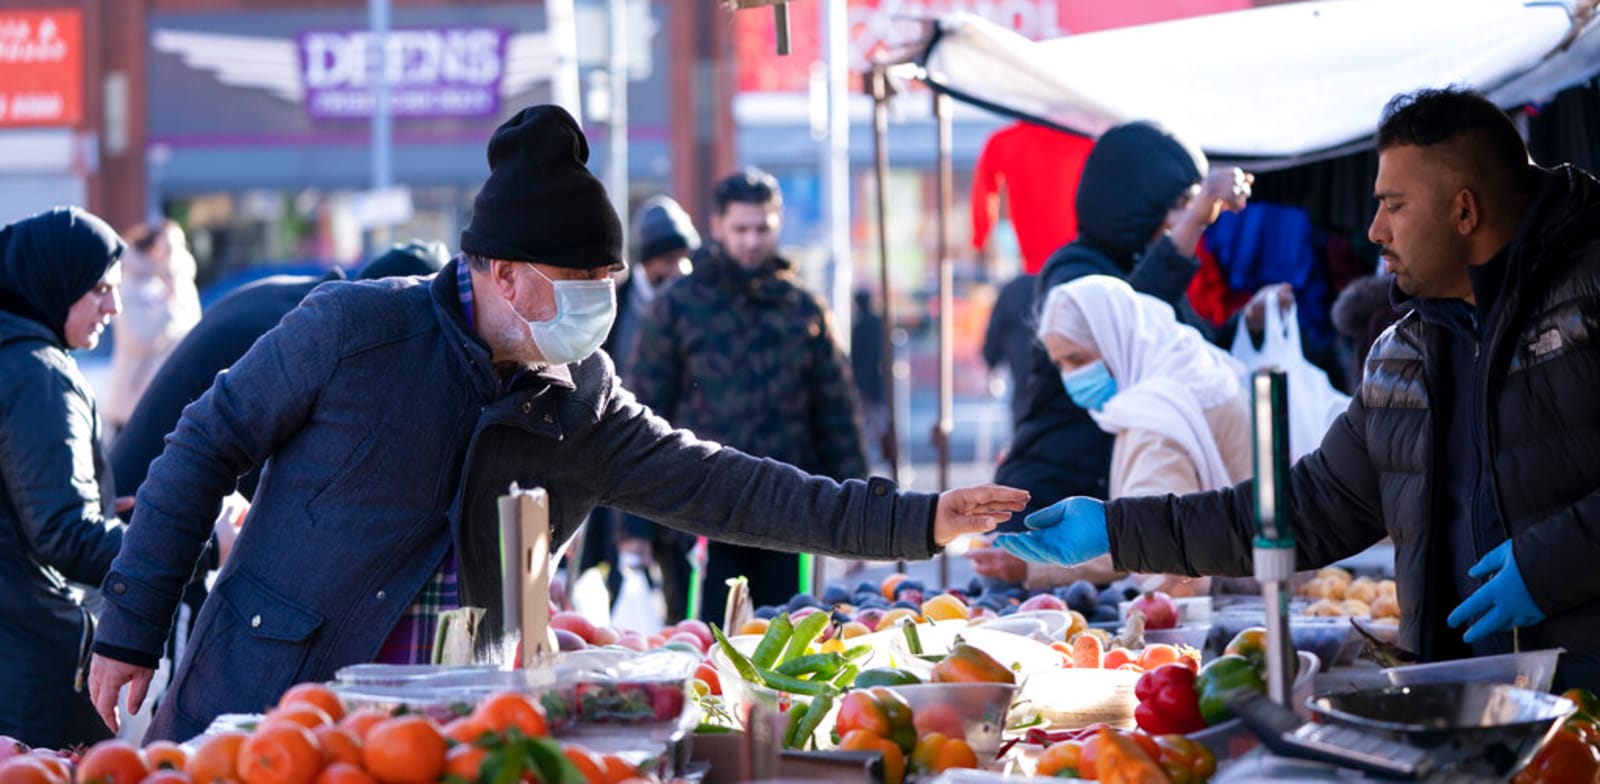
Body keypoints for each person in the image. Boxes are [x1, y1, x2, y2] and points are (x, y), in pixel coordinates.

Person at [88, 106, 1028, 742]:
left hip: (448, 735)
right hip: (272, 703)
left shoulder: (579, 397)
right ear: (501, 271)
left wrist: (918, 520)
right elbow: (202, 445)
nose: (598, 306)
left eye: (608, 285)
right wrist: (130, 623)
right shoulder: (354, 330)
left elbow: (731, 484)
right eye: (578, 284)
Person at [996, 87, 1600, 691]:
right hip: (1469, 701)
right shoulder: (1404, 357)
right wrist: (1116, 529)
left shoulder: (1590, 297)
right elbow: (1307, 509)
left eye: (1394, 205)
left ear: (1464, 212)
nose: (1374, 230)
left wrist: (1556, 562)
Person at [107, 241, 450, 708]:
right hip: (155, 514)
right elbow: (251, 463)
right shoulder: (318, 335)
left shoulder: (286, 297)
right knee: (165, 696)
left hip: (154, 494)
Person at [629, 168, 872, 621]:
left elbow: (836, 413)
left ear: (777, 225)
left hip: (787, 510)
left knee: (789, 642)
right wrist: (634, 527)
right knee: (705, 650)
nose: (751, 241)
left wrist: (856, 515)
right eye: (740, 229)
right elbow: (643, 413)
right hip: (697, 512)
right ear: (718, 226)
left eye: (762, 228)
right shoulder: (677, 306)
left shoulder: (802, 308)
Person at [993, 120, 1255, 523]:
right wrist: (1196, 220)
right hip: (1048, 505)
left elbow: (1198, 352)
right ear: (1133, 201)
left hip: (1117, 511)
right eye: (1179, 204)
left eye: (1190, 205)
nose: (1180, 219)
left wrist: (1250, 322)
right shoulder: (1072, 272)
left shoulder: (1147, 272)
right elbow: (1130, 321)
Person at [969, 275, 1252, 594]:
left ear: (1115, 340)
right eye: (1060, 364)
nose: (1070, 377)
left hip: (1234, 597)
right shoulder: (1187, 362)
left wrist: (1034, 563)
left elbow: (1150, 535)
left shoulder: (1155, 413)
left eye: (1077, 359)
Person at [0, 206, 127, 748]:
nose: (114, 306)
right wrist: (196, 544)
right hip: (32, 672)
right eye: (98, 288)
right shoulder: (37, 374)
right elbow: (63, 534)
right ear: (56, 279)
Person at [582, 196, 700, 622]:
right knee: (625, 583)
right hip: (623, 458)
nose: (676, 269)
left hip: (680, 456)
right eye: (666, 259)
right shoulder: (613, 306)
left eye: (683, 257)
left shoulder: (697, 302)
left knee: (686, 592)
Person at [105, 219, 201, 435]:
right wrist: (169, 301)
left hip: (171, 401)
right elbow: (141, 339)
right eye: (168, 248)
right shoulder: (130, 285)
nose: (174, 255)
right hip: (133, 406)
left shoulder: (182, 287)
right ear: (150, 249)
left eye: (180, 247)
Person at [981, 272, 1038, 429]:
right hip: (1059, 385)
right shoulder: (1062, 282)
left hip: (1023, 380)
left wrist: (992, 360)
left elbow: (994, 338)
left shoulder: (1013, 289)